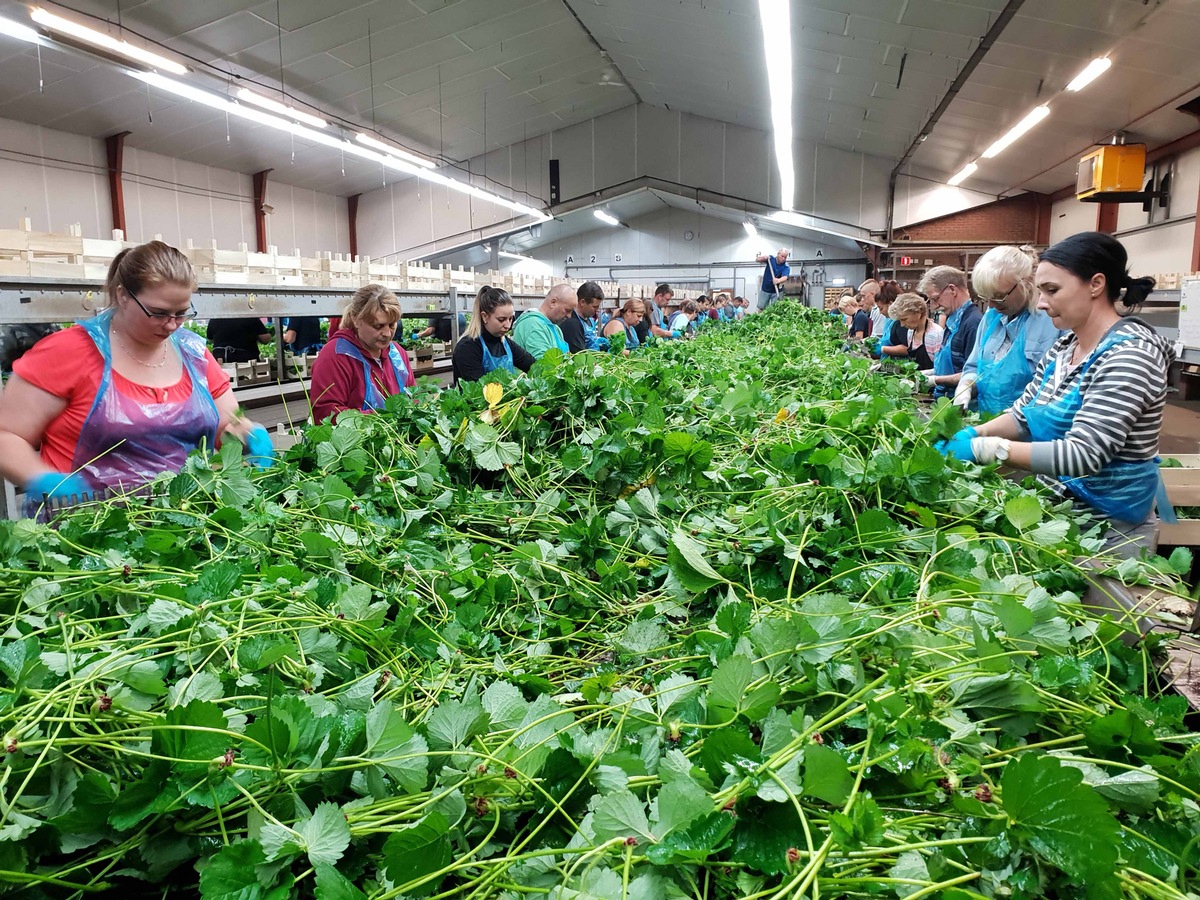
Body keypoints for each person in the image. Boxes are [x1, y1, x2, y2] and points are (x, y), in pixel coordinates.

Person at [938, 232, 1174, 555]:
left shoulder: (1129, 355)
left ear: (1096, 284)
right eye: (1041, 290)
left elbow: (1084, 455)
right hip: (1063, 511)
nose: (1041, 302)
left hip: (1113, 531)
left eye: (1052, 290)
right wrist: (973, 431)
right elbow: (1023, 414)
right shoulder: (1065, 347)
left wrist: (987, 448)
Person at [0, 240, 273, 515]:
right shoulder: (68, 352)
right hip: (85, 529)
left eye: (181, 314)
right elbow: (7, 435)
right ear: (123, 295)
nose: (171, 324)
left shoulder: (194, 354)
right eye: (158, 313)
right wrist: (43, 480)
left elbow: (227, 420)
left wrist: (248, 433)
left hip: (182, 521)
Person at [955, 246, 1061, 414]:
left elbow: (1058, 387)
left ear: (1026, 283)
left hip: (1030, 430)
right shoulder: (991, 318)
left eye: (998, 296)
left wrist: (1018, 416)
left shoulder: (1053, 321)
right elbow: (974, 367)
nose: (991, 305)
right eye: (986, 297)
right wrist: (965, 388)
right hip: (985, 420)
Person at [310, 284, 416, 424]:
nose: (387, 333)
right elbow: (326, 414)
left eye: (391, 325)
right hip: (355, 443)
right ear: (356, 320)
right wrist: (382, 419)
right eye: (378, 326)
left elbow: (414, 395)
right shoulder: (335, 357)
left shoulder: (397, 354)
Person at [918, 266, 982, 399]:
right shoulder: (953, 321)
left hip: (960, 404)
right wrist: (930, 373)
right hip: (944, 399)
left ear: (952, 289)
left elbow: (974, 374)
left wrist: (936, 380)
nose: (934, 306)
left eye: (936, 299)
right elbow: (952, 365)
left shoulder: (973, 324)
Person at [452, 286, 536, 382]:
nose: (507, 325)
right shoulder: (467, 347)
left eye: (510, 319)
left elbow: (534, 366)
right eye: (501, 320)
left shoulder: (506, 344)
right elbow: (478, 391)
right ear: (485, 317)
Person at [512, 283, 576, 360]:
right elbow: (543, 366)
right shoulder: (533, 325)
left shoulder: (555, 328)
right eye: (567, 310)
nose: (569, 316)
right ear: (553, 303)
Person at [888, 292, 943, 369]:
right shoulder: (911, 332)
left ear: (918, 313)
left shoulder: (935, 335)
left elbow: (940, 370)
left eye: (904, 319)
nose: (902, 325)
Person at [560, 281, 607, 353]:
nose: (597, 310)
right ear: (582, 302)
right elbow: (577, 353)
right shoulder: (572, 323)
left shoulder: (590, 320)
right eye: (594, 307)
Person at [207, 316, 272, 363]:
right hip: (245, 360)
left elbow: (210, 339)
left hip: (220, 360)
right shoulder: (248, 317)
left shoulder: (215, 318)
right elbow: (265, 339)